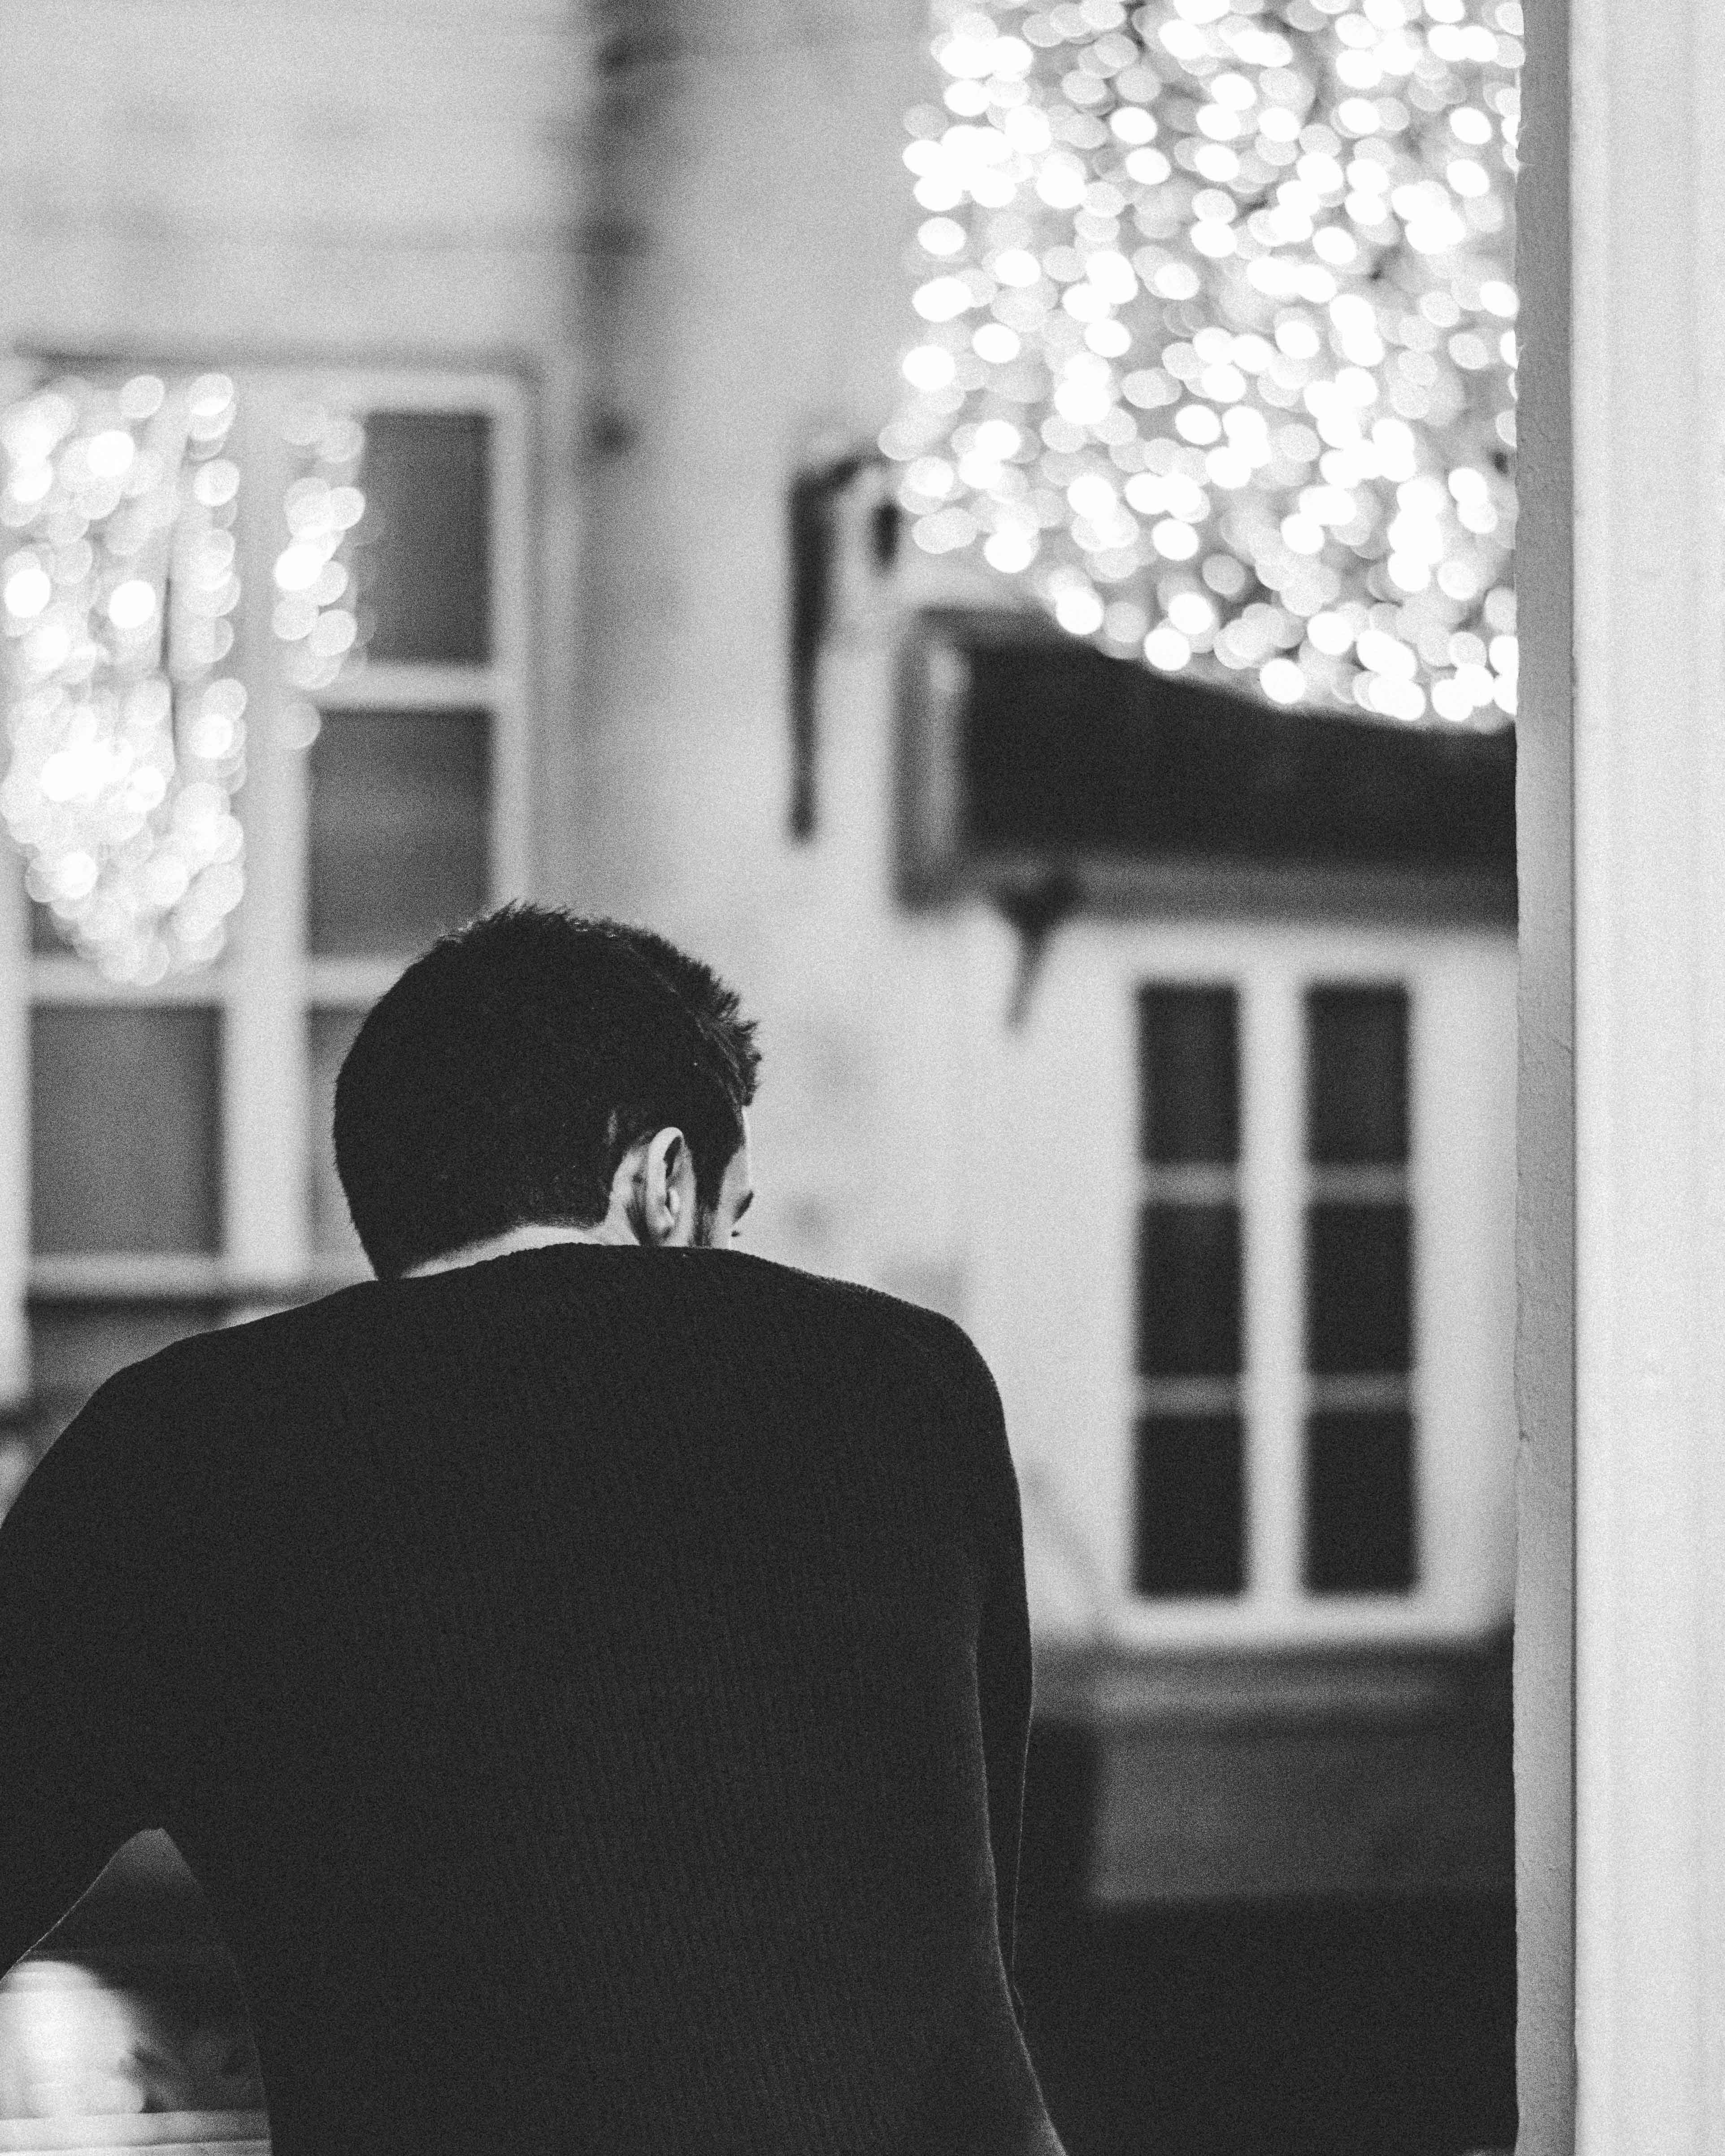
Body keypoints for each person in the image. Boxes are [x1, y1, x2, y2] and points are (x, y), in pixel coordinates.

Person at [0, 904, 1065, 2156]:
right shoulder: (906, 1378)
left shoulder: (184, 1441)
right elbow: (971, 1923)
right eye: (736, 1221)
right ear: (662, 1183)